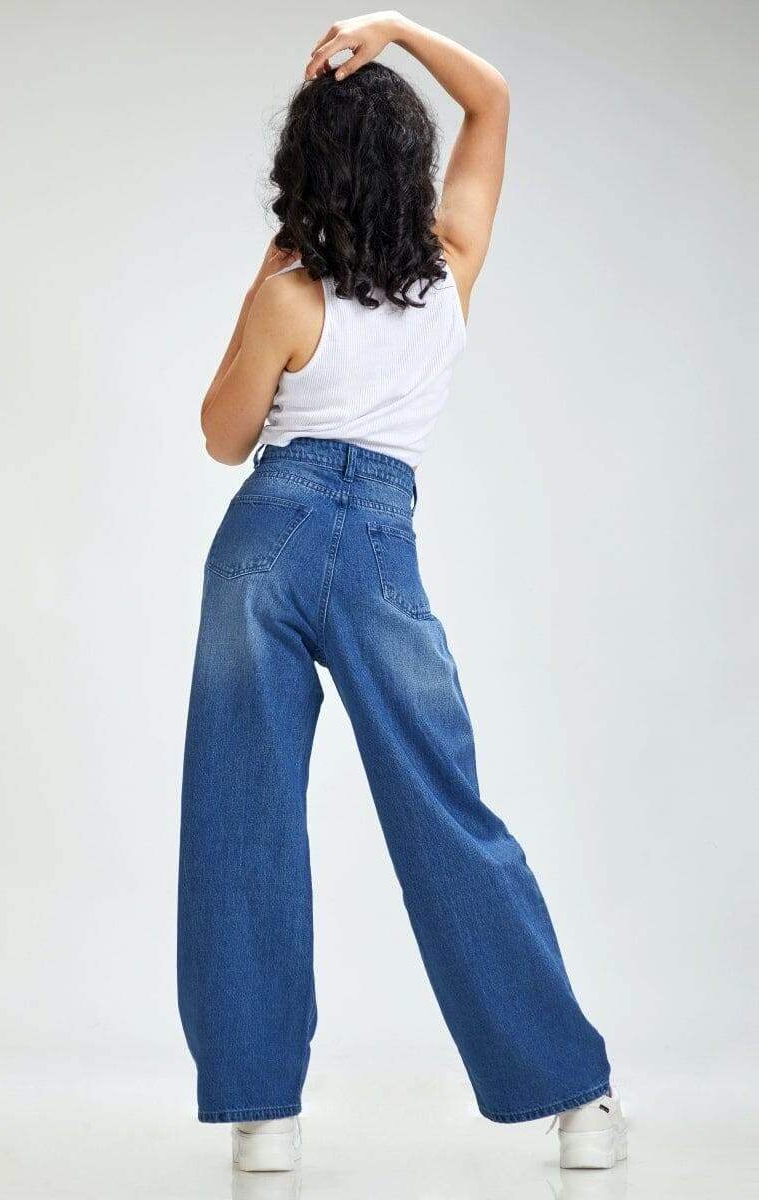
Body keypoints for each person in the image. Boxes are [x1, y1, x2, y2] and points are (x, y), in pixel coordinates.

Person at [178, 11, 626, 1175]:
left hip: (267, 538)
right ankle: (575, 1102)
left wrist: (273, 264)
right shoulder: (451, 269)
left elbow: (223, 438)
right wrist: (395, 28)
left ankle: (259, 1119)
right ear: (409, 166)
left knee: (241, 814)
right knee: (444, 810)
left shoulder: (286, 296)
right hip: (380, 541)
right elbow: (493, 102)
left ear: (304, 173)